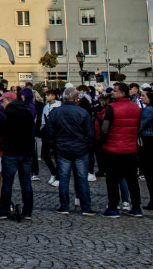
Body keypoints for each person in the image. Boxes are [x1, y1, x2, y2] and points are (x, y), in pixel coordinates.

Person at [45, 87, 95, 216]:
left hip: (62, 148)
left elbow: (50, 131)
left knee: (64, 178)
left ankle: (64, 206)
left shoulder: (56, 112)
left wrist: (53, 145)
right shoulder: (83, 112)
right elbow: (90, 133)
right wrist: (88, 145)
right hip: (80, 148)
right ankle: (86, 207)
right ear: (75, 98)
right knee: (82, 178)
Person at [99, 82, 143, 217]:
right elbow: (138, 126)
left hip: (113, 148)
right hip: (130, 148)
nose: (113, 92)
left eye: (116, 91)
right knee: (132, 179)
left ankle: (113, 207)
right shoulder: (136, 107)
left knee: (112, 179)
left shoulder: (112, 108)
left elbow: (104, 128)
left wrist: (103, 139)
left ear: (123, 93)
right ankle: (136, 206)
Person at [0, 92, 35, 220]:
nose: (1, 104)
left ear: (8, 101)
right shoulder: (27, 112)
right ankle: (27, 212)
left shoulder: (5, 114)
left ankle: (3, 211)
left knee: (7, 182)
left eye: (3, 101)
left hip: (11, 151)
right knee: (26, 182)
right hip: (27, 152)